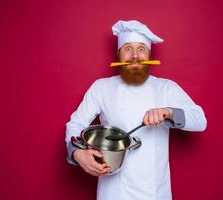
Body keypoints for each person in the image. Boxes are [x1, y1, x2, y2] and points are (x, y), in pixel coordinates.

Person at [65, 20, 207, 200]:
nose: (134, 56)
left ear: (149, 54)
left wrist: (168, 112)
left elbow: (200, 120)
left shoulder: (166, 88)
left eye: (141, 49)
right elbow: (76, 123)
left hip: (155, 192)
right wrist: (77, 153)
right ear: (119, 55)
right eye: (127, 49)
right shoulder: (101, 88)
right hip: (114, 192)